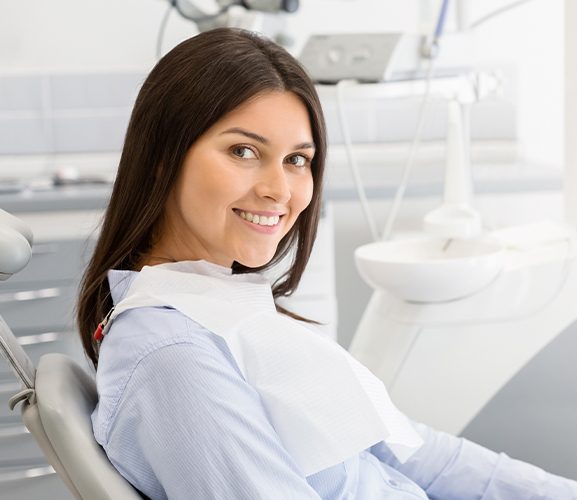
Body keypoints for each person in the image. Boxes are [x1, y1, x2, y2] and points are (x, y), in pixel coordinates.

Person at [77, 27, 577, 500]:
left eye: (297, 159)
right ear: (164, 156)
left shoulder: (216, 304)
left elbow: (408, 453)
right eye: (244, 150)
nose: (280, 190)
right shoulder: (173, 358)